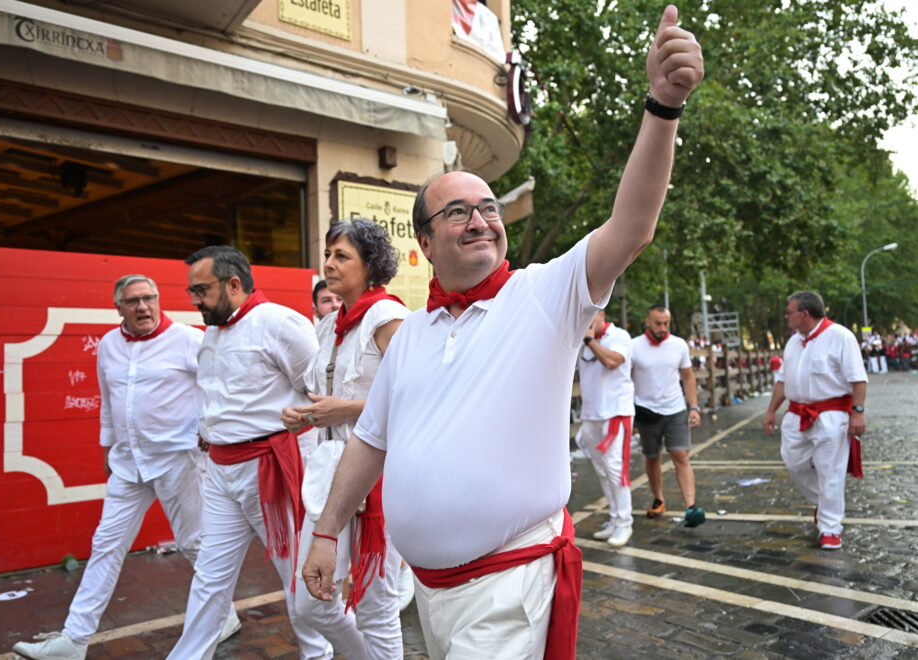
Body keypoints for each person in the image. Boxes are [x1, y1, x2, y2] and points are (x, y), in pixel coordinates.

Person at [302, 7, 703, 658]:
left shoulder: (543, 293)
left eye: (489, 208)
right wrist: (326, 532)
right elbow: (368, 444)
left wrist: (661, 109)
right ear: (426, 242)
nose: (481, 220)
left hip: (510, 587)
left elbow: (630, 228)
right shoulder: (409, 336)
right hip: (429, 593)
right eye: (457, 212)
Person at [13, 275, 239, 660]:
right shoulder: (108, 345)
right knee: (106, 544)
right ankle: (73, 641)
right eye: (133, 301)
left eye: (149, 298)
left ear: (158, 300)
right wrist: (107, 445)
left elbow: (220, 385)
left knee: (195, 543)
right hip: (128, 463)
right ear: (118, 307)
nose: (143, 307)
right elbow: (108, 400)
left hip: (178, 460)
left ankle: (225, 615)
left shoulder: (187, 339)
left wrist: (208, 429)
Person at [167, 247, 331, 660]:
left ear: (234, 284)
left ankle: (320, 654)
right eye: (191, 292)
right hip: (220, 471)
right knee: (209, 578)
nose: (194, 301)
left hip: (270, 469)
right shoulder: (213, 331)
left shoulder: (280, 323)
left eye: (201, 290)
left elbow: (320, 397)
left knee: (296, 577)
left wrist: (304, 468)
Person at [282, 219, 410, 659]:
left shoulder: (389, 316)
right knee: (309, 602)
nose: (330, 264)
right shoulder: (328, 324)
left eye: (342, 256)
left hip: (379, 473)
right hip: (329, 474)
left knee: (377, 607)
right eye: (328, 254)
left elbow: (416, 397)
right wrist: (307, 416)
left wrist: (346, 410)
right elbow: (326, 396)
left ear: (370, 264)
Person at [763, 291, 867, 550]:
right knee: (793, 462)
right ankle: (825, 504)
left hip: (831, 416)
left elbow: (858, 379)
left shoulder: (841, 337)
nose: (787, 317)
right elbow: (783, 381)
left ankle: (830, 528)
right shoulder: (793, 343)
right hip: (796, 415)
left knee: (829, 471)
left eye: (790, 312)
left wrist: (858, 412)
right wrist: (771, 410)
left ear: (805, 314)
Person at [630, 304, 705, 527]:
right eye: (658, 323)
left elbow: (688, 377)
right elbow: (623, 378)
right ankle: (658, 498)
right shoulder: (633, 346)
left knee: (680, 455)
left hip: (675, 409)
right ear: (648, 322)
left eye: (666, 324)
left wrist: (694, 407)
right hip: (646, 410)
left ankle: (690, 506)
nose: (662, 328)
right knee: (652, 457)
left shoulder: (678, 345)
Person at [575, 309, 635, 547]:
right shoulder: (580, 340)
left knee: (614, 468)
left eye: (591, 318)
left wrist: (589, 340)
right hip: (591, 414)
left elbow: (612, 361)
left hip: (615, 412)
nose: (587, 323)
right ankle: (614, 518)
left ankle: (625, 522)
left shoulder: (619, 336)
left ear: (602, 315)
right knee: (600, 469)